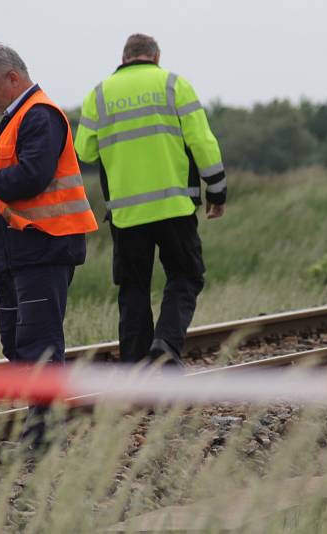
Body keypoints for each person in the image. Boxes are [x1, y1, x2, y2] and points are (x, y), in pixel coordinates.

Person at [0, 41, 98, 446]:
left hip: (44, 247)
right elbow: (11, 180)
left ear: (12, 78)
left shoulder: (41, 116)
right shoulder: (17, 119)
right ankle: (41, 430)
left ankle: (43, 439)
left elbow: (32, 177)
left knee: (39, 344)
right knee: (18, 344)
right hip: (17, 250)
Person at [75, 33, 226, 367]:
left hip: (126, 214)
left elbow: (83, 150)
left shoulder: (98, 95)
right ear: (156, 57)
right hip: (175, 206)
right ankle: (167, 343)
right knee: (186, 276)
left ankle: (133, 367)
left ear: (124, 57)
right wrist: (217, 190)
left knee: (133, 289)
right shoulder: (174, 85)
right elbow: (202, 142)